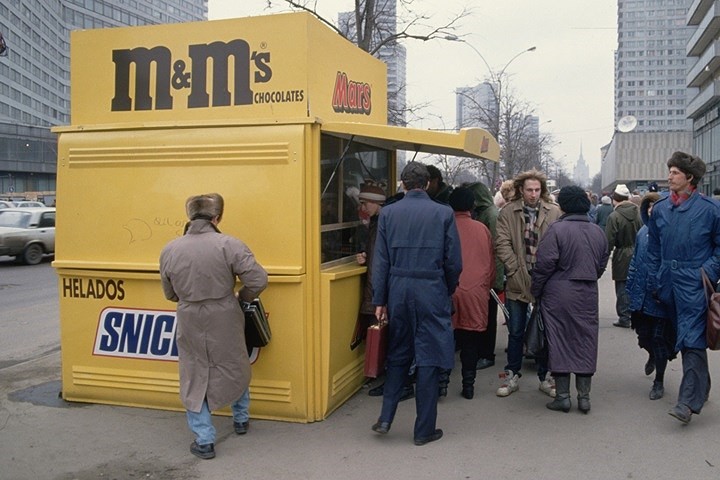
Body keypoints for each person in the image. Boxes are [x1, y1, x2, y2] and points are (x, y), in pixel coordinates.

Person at [159, 193, 268, 460]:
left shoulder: (170, 249)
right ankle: (241, 419)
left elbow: (169, 293)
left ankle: (205, 439)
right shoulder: (229, 244)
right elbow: (258, 279)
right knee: (234, 363)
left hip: (189, 315)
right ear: (216, 218)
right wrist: (242, 297)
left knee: (194, 372)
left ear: (190, 217)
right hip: (225, 313)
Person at [370, 162, 462, 446]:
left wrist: (380, 300)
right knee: (429, 357)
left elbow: (380, 261)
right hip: (431, 287)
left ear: (403, 183)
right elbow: (454, 262)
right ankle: (423, 430)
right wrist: (445, 288)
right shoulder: (443, 212)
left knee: (398, 352)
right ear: (426, 183)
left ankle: (386, 417)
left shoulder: (388, 213)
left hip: (398, 288)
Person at [647, 151, 720, 424]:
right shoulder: (663, 208)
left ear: (690, 177)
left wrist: (707, 270)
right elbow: (654, 247)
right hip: (667, 283)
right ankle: (702, 387)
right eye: (669, 171)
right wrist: (656, 276)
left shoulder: (711, 210)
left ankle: (687, 402)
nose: (669, 176)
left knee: (691, 338)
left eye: (675, 172)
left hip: (695, 283)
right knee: (680, 336)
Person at [530, 185, 609, 413]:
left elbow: (544, 265)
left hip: (558, 294)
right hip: (587, 294)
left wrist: (537, 290)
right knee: (586, 341)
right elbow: (601, 266)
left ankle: (562, 396)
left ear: (563, 205)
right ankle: (584, 397)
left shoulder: (556, 230)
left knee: (560, 342)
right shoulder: (597, 232)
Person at [495, 169, 561, 398]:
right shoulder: (507, 212)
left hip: (546, 279)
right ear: (521, 190)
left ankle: (545, 377)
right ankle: (511, 374)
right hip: (517, 278)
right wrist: (514, 268)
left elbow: (559, 244)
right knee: (515, 330)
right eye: (529, 190)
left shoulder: (554, 212)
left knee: (544, 330)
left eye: (537, 190)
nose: (533, 194)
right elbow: (501, 243)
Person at [626, 192, 676, 400]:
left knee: (658, 338)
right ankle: (652, 356)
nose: (651, 210)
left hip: (660, 296)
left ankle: (659, 381)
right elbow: (635, 261)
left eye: (656, 206)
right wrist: (629, 286)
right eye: (649, 206)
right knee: (644, 336)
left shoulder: (671, 233)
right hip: (641, 294)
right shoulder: (643, 231)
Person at [448, 187, 495, 399]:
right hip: (475, 291)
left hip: (448, 291)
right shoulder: (482, 229)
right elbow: (490, 264)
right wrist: (485, 287)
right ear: (472, 205)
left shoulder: (445, 227)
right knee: (470, 341)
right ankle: (469, 385)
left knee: (446, 338)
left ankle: (442, 383)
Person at [464, 181, 504, 370]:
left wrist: (495, 279)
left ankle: (487, 353)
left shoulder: (491, 215)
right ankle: (482, 351)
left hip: (489, 276)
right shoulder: (484, 213)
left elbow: (497, 249)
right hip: (483, 274)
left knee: (488, 316)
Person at [352, 182, 387, 350]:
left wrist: (371, 303)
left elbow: (376, 266)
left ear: (376, 203)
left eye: (365, 203)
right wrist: (364, 256)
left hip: (377, 296)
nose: (363, 207)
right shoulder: (376, 223)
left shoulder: (378, 225)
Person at [606, 184, 642, 328]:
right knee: (636, 285)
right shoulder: (639, 213)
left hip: (622, 254)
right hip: (638, 252)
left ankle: (624, 316)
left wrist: (602, 260)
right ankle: (635, 314)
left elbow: (609, 240)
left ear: (615, 199)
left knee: (622, 286)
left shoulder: (614, 216)